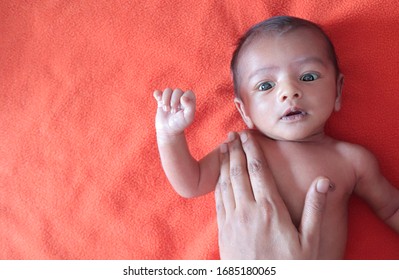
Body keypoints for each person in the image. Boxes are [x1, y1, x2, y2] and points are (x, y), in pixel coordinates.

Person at [153, 16, 399, 259]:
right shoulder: (242, 150)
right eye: (265, 86)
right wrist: (169, 136)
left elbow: (392, 208)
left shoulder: (352, 160)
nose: (289, 91)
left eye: (308, 77)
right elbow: (191, 183)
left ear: (337, 91)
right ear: (244, 111)